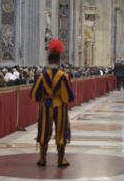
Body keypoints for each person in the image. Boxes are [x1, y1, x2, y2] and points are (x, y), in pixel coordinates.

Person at [31, 39, 75, 167]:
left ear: (49, 61)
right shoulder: (64, 76)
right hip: (60, 106)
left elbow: (35, 95)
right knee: (61, 131)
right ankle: (61, 159)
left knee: (44, 131)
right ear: (59, 61)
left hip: (46, 106)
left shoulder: (41, 75)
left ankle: (43, 159)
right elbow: (68, 96)